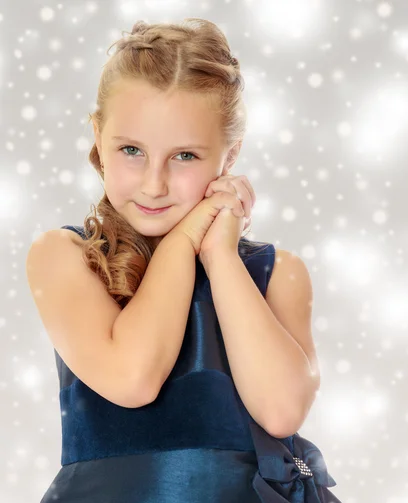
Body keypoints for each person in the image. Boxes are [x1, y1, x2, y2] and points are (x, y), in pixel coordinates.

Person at [26, 18, 341, 503]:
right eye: (131, 150)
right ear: (98, 136)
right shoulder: (65, 256)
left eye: (185, 156)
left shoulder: (276, 273)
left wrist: (219, 255)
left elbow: (281, 413)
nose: (154, 183)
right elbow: (134, 379)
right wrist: (182, 242)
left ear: (229, 155)